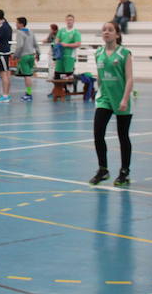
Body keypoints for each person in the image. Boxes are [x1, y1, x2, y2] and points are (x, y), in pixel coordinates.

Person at [89, 22, 134, 187]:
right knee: (98, 133)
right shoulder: (98, 53)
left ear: (117, 34)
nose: (106, 32)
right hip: (104, 99)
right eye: (104, 30)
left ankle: (124, 171)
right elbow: (100, 76)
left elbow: (129, 78)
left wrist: (124, 99)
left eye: (110, 30)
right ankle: (103, 169)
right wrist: (97, 92)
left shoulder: (124, 54)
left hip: (121, 98)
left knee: (123, 136)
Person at [12, 17, 39, 102]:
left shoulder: (19, 33)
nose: (16, 25)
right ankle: (28, 93)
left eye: (17, 23)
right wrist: (38, 53)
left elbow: (19, 46)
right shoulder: (31, 31)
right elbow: (35, 43)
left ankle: (29, 94)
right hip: (31, 56)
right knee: (29, 75)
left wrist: (15, 55)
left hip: (24, 56)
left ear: (21, 24)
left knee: (27, 76)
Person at [55, 14, 81, 78]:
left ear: (73, 21)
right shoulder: (61, 31)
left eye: (71, 20)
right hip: (60, 56)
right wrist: (58, 45)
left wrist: (66, 45)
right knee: (57, 74)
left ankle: (68, 88)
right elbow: (57, 40)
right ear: (65, 21)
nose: (69, 21)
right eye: (67, 20)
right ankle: (60, 88)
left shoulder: (76, 32)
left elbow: (78, 44)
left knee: (69, 76)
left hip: (69, 56)